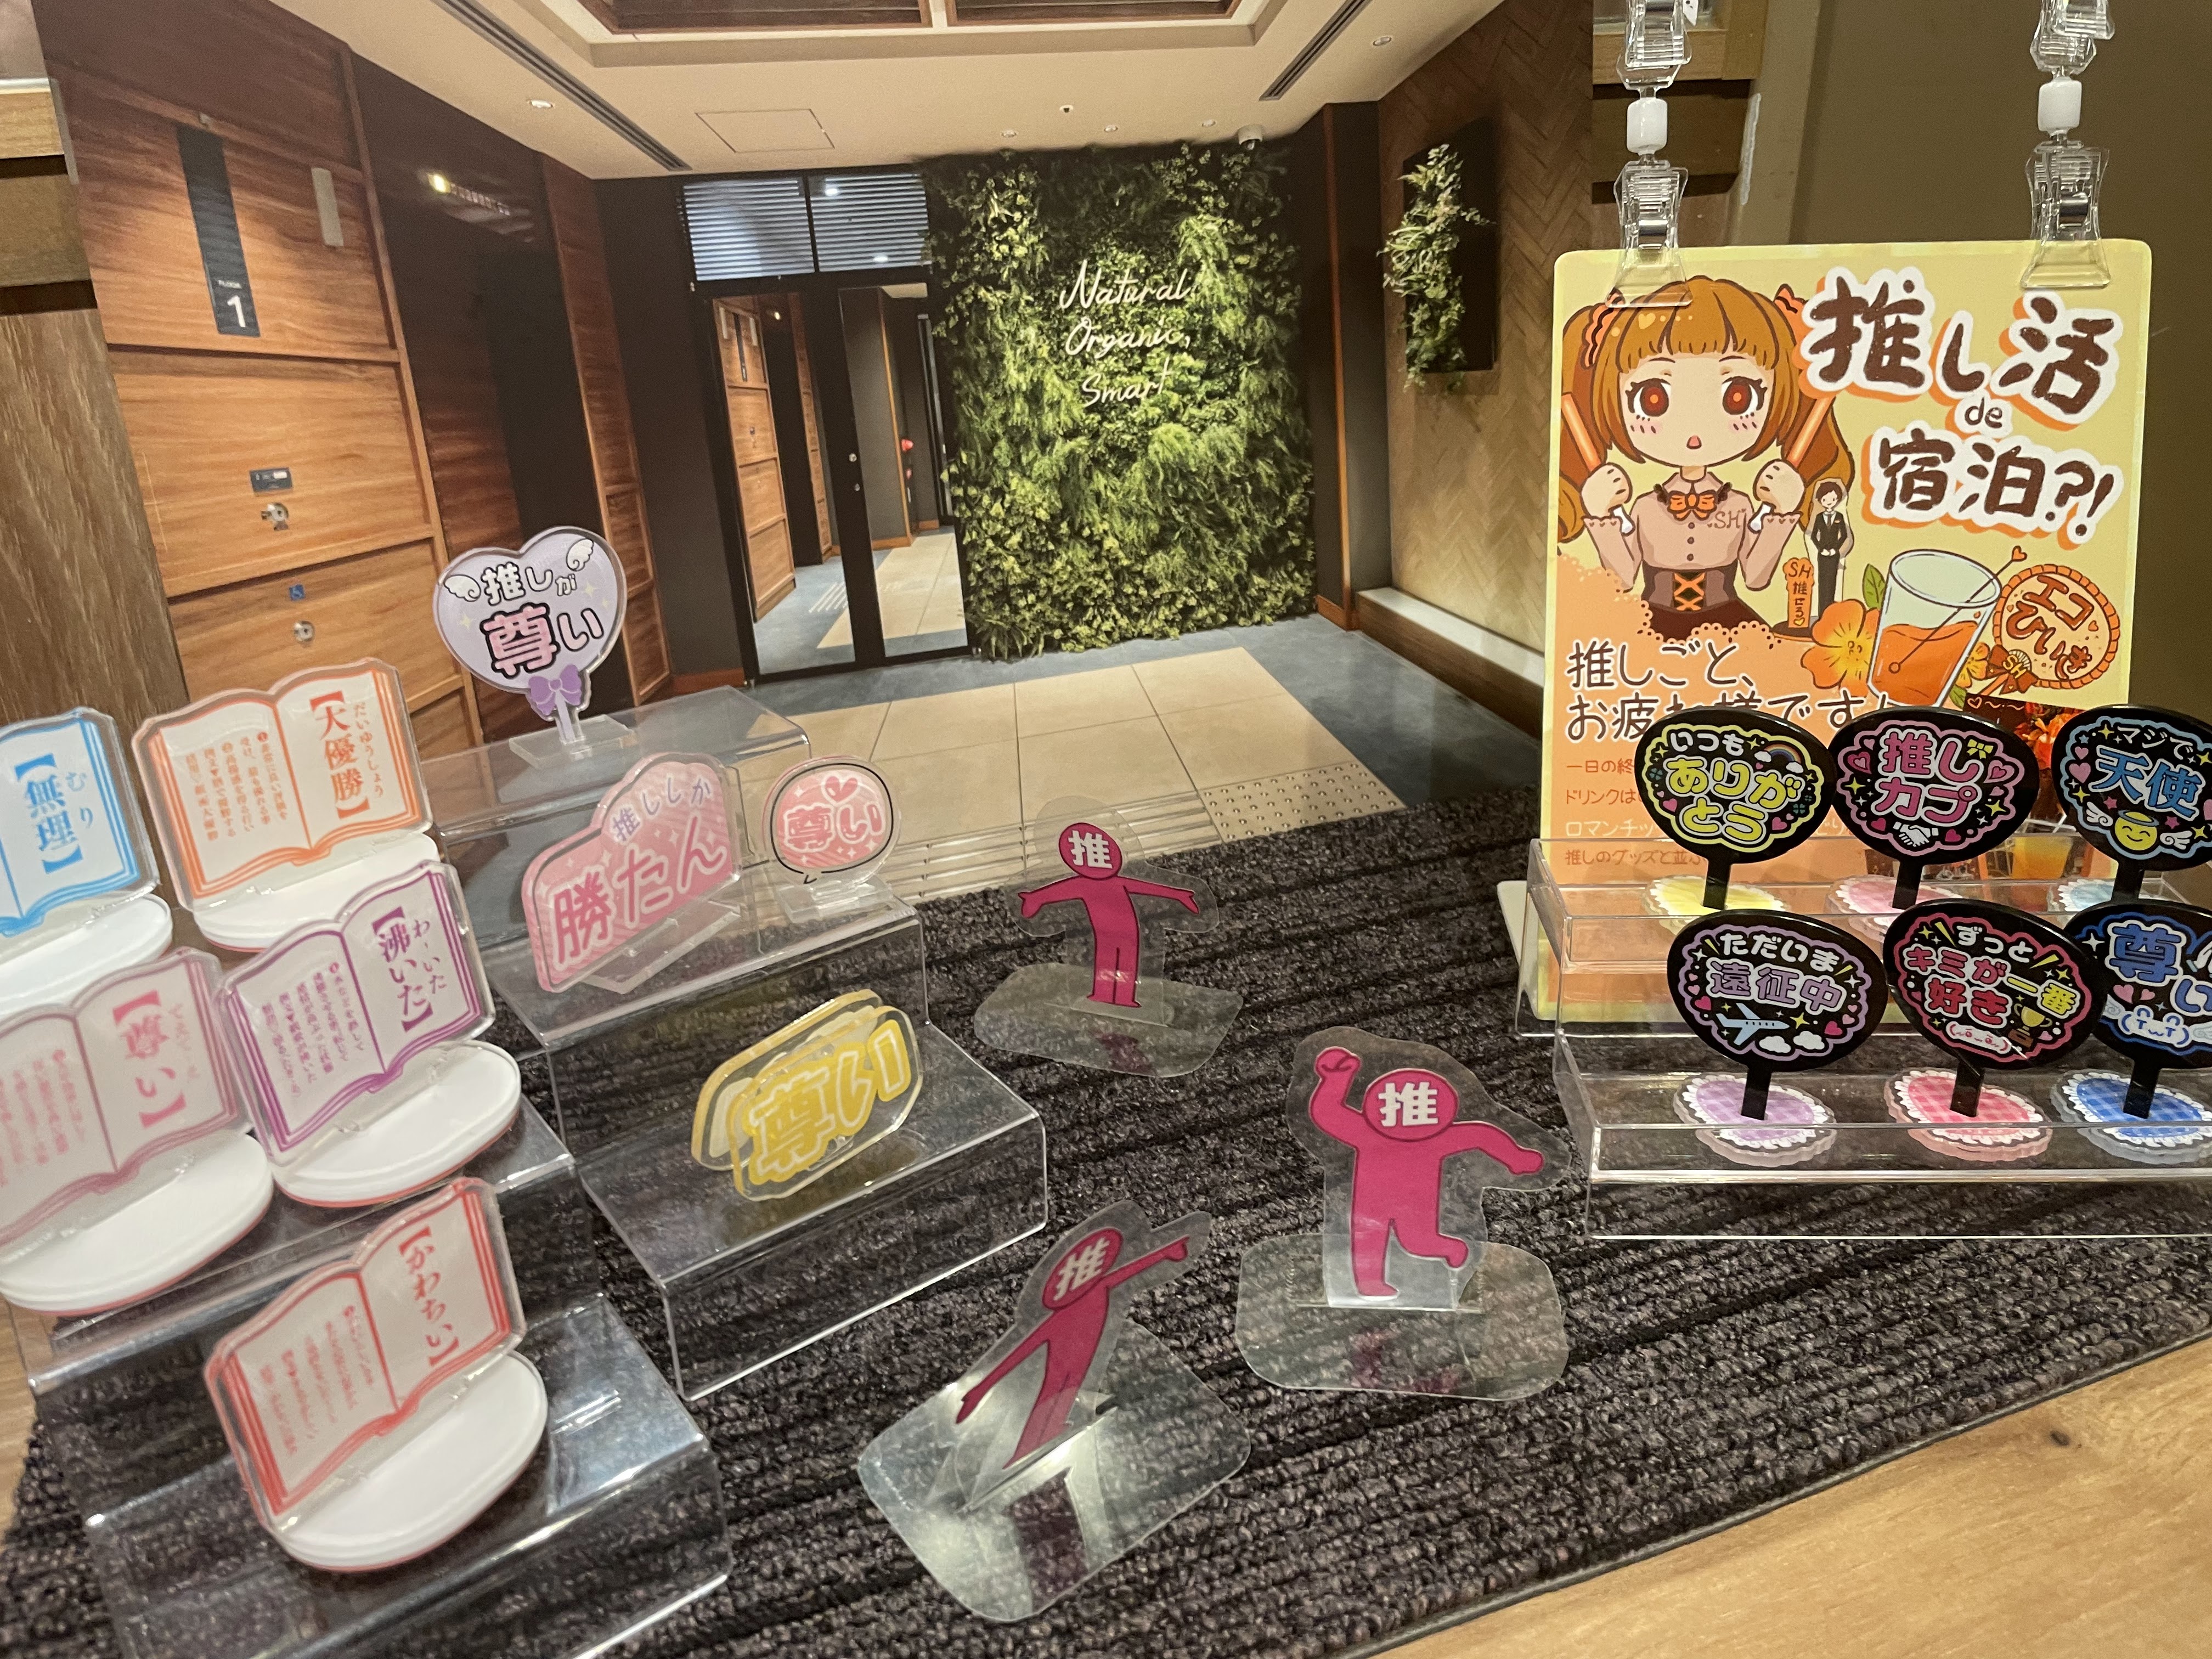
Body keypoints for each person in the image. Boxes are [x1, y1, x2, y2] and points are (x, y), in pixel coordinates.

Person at [1557, 275, 1854, 640]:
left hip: (1729, 623)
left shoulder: (1740, 506)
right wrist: (1599, 513)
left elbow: (1757, 578)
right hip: (1651, 623)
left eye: (1738, 396)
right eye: (1653, 398)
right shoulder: (1646, 507)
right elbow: (1621, 579)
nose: (1694, 429)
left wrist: (1783, 511)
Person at [1306, 1046, 1547, 1299]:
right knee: (1368, 1240)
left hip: (1415, 1202)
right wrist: (1336, 1079)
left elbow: (1482, 1135)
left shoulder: (1436, 1138)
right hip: (1370, 1202)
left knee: (1418, 1242)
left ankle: (1451, 1248)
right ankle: (1370, 1283)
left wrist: (1517, 1158)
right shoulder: (1367, 1133)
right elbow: (1328, 1113)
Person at [955, 1221, 1195, 1466]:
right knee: (1055, 1390)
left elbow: (1123, 1273)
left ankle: (1039, 1441)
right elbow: (1019, 1353)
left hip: (1080, 1366)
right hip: (1066, 1366)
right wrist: (980, 1389)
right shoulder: (1066, 1313)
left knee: (1065, 1391)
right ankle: (1026, 1450)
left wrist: (1164, 1253)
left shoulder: (1098, 1290)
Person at [1018, 822, 1198, 1007]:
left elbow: (1146, 887)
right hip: (1105, 931)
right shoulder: (1084, 884)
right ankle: (1103, 993)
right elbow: (1056, 891)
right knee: (1107, 960)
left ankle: (1125, 997)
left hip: (1130, 929)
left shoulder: (1114, 882)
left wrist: (1178, 894)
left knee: (1127, 960)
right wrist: (1036, 898)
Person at [1807, 478, 1855, 617]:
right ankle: (1822, 613)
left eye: (1833, 499)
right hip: (1822, 554)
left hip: (1834, 554)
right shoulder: (1819, 517)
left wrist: (1836, 549)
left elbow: (1844, 536)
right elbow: (1814, 536)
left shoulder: (1839, 516)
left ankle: (1830, 613)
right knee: (1822, 582)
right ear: (1821, 500)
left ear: (1837, 500)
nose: (1829, 502)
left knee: (1832, 582)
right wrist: (1821, 548)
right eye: (1825, 499)